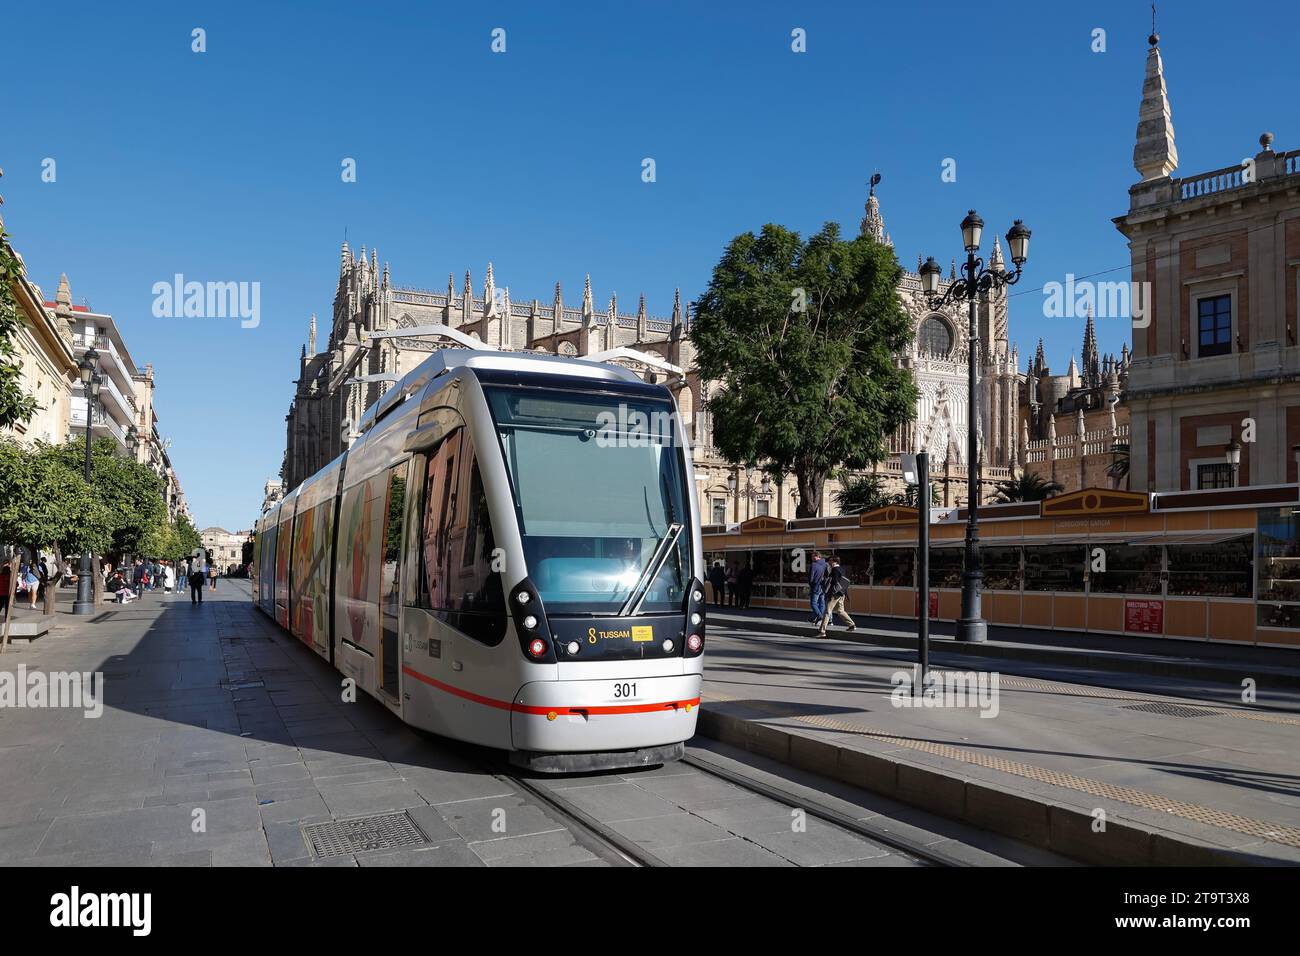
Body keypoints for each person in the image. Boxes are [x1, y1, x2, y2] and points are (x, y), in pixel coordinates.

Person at [817, 555, 857, 636]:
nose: (829, 562)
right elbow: (844, 582)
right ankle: (852, 625)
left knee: (827, 611)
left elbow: (834, 582)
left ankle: (822, 631)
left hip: (834, 594)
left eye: (830, 560)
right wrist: (845, 594)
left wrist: (830, 593)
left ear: (835, 561)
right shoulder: (842, 569)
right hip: (841, 594)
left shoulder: (834, 570)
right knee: (840, 610)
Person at [808, 550, 828, 623]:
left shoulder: (814, 564)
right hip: (823, 586)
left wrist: (811, 584)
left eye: (813, 556)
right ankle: (816, 618)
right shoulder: (825, 564)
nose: (812, 558)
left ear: (817, 556)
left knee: (813, 603)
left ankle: (820, 616)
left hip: (816, 585)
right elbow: (827, 574)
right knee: (821, 603)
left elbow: (811, 577)